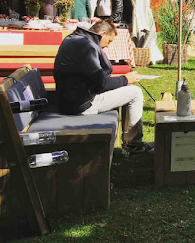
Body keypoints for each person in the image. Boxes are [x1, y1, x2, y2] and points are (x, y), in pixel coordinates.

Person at [54, 20, 153, 155]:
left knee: (126, 87)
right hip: (81, 104)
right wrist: (125, 79)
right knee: (135, 92)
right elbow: (101, 84)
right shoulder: (87, 47)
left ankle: (131, 142)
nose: (107, 46)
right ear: (103, 34)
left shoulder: (73, 39)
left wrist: (122, 81)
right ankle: (134, 146)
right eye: (109, 41)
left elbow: (95, 79)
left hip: (68, 99)